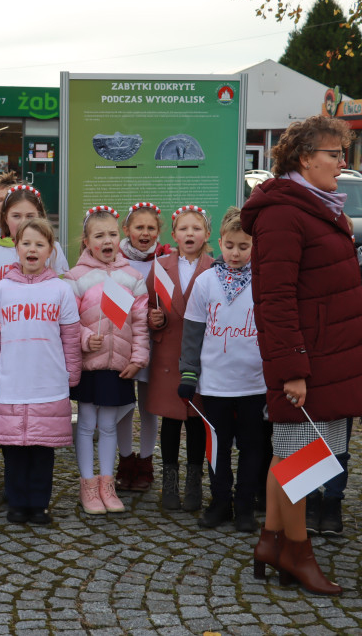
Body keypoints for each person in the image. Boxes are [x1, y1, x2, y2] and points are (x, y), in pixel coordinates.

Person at [241, 115, 362, 596]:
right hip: (308, 361)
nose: (343, 164)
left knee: (296, 459)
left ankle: (272, 542)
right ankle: (298, 555)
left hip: (329, 356)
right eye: (335, 154)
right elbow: (275, 299)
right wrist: (292, 370)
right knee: (302, 461)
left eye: (343, 154)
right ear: (305, 158)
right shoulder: (285, 212)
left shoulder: (319, 206)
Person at [0, 218, 82, 524]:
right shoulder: (1, 290)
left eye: (40, 244)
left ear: (50, 250)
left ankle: (38, 504)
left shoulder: (60, 291)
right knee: (13, 450)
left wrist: (71, 377)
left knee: (42, 451)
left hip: (48, 385)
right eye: (26, 243)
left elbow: (71, 339)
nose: (32, 249)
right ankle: (17, 502)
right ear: (16, 248)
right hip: (10, 385)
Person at [178, 207, 267, 533]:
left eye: (244, 247)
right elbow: (193, 331)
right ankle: (219, 502)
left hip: (253, 384)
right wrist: (188, 372)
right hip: (215, 383)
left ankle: (244, 505)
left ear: (255, 246)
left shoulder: (264, 281)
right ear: (219, 243)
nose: (236, 253)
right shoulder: (206, 282)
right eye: (230, 246)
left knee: (251, 446)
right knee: (217, 445)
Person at [64, 206, 149, 515]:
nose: (107, 240)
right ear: (86, 241)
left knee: (109, 426)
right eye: (99, 235)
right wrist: (87, 339)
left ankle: (107, 484)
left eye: (112, 234)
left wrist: (138, 358)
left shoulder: (133, 277)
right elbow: (69, 322)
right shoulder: (75, 277)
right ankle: (87, 485)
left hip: (119, 366)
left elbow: (140, 324)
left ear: (120, 236)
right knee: (86, 425)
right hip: (90, 366)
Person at [145, 206, 214, 511]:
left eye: (196, 228)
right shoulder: (159, 267)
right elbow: (148, 304)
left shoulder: (214, 268)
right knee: (171, 421)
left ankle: (194, 482)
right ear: (173, 235)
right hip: (168, 354)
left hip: (201, 355)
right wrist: (153, 319)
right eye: (183, 229)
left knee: (198, 421)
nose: (190, 234)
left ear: (207, 235)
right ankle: (170, 482)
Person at [116, 202, 172, 493]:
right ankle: (126, 461)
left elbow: (169, 304)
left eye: (151, 228)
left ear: (159, 232)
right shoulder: (116, 261)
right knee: (125, 406)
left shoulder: (164, 263)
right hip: (125, 344)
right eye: (139, 227)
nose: (145, 233)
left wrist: (160, 317)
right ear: (126, 230)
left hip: (152, 345)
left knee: (150, 407)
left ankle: (147, 462)